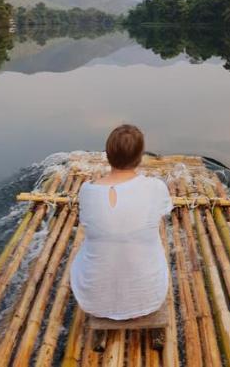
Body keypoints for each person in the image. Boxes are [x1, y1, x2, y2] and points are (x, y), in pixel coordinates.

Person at [70, 124, 173, 331]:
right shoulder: (156, 188)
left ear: (108, 155)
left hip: (93, 300)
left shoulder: (86, 191)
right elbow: (164, 210)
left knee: (86, 246)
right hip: (148, 298)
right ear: (140, 157)